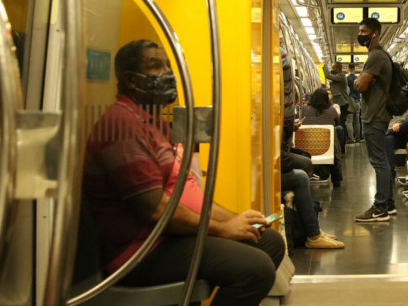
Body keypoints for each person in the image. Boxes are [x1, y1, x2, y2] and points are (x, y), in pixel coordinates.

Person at [83, 40, 284, 306]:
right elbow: (154, 208)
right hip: (140, 250)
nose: (168, 73)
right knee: (254, 268)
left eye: (169, 65)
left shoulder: (155, 124)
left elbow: (185, 190)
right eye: (156, 67)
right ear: (131, 80)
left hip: (166, 239)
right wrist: (224, 230)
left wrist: (237, 220)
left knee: (268, 241)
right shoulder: (123, 124)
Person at [279, 41, 344, 248]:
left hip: (294, 146)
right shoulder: (333, 110)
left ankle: (311, 223)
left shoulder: (305, 111)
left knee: (304, 161)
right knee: (339, 133)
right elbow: (336, 123)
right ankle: (312, 233)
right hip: (323, 150)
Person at [352, 17, 394, 222]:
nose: (360, 35)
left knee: (379, 162)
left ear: (374, 33)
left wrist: (359, 81)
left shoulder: (376, 56)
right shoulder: (379, 55)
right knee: (382, 160)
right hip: (378, 113)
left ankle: (380, 208)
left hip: (374, 115)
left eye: (363, 31)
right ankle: (390, 204)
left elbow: (360, 86)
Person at [301, 87, 346, 187]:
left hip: (307, 146)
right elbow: (337, 123)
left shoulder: (304, 109)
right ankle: (336, 179)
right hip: (326, 147)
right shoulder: (332, 110)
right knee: (335, 133)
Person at [323, 61, 350, 128]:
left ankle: (342, 137)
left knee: (341, 122)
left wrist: (325, 65)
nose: (332, 69)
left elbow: (328, 76)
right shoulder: (338, 76)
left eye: (333, 68)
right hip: (339, 103)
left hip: (342, 103)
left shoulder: (341, 76)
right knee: (339, 122)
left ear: (338, 68)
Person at [345, 63, 362, 142]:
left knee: (349, 122)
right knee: (357, 121)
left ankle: (351, 139)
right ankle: (358, 138)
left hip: (350, 102)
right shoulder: (358, 78)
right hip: (357, 101)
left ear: (348, 69)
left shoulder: (347, 79)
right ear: (354, 69)